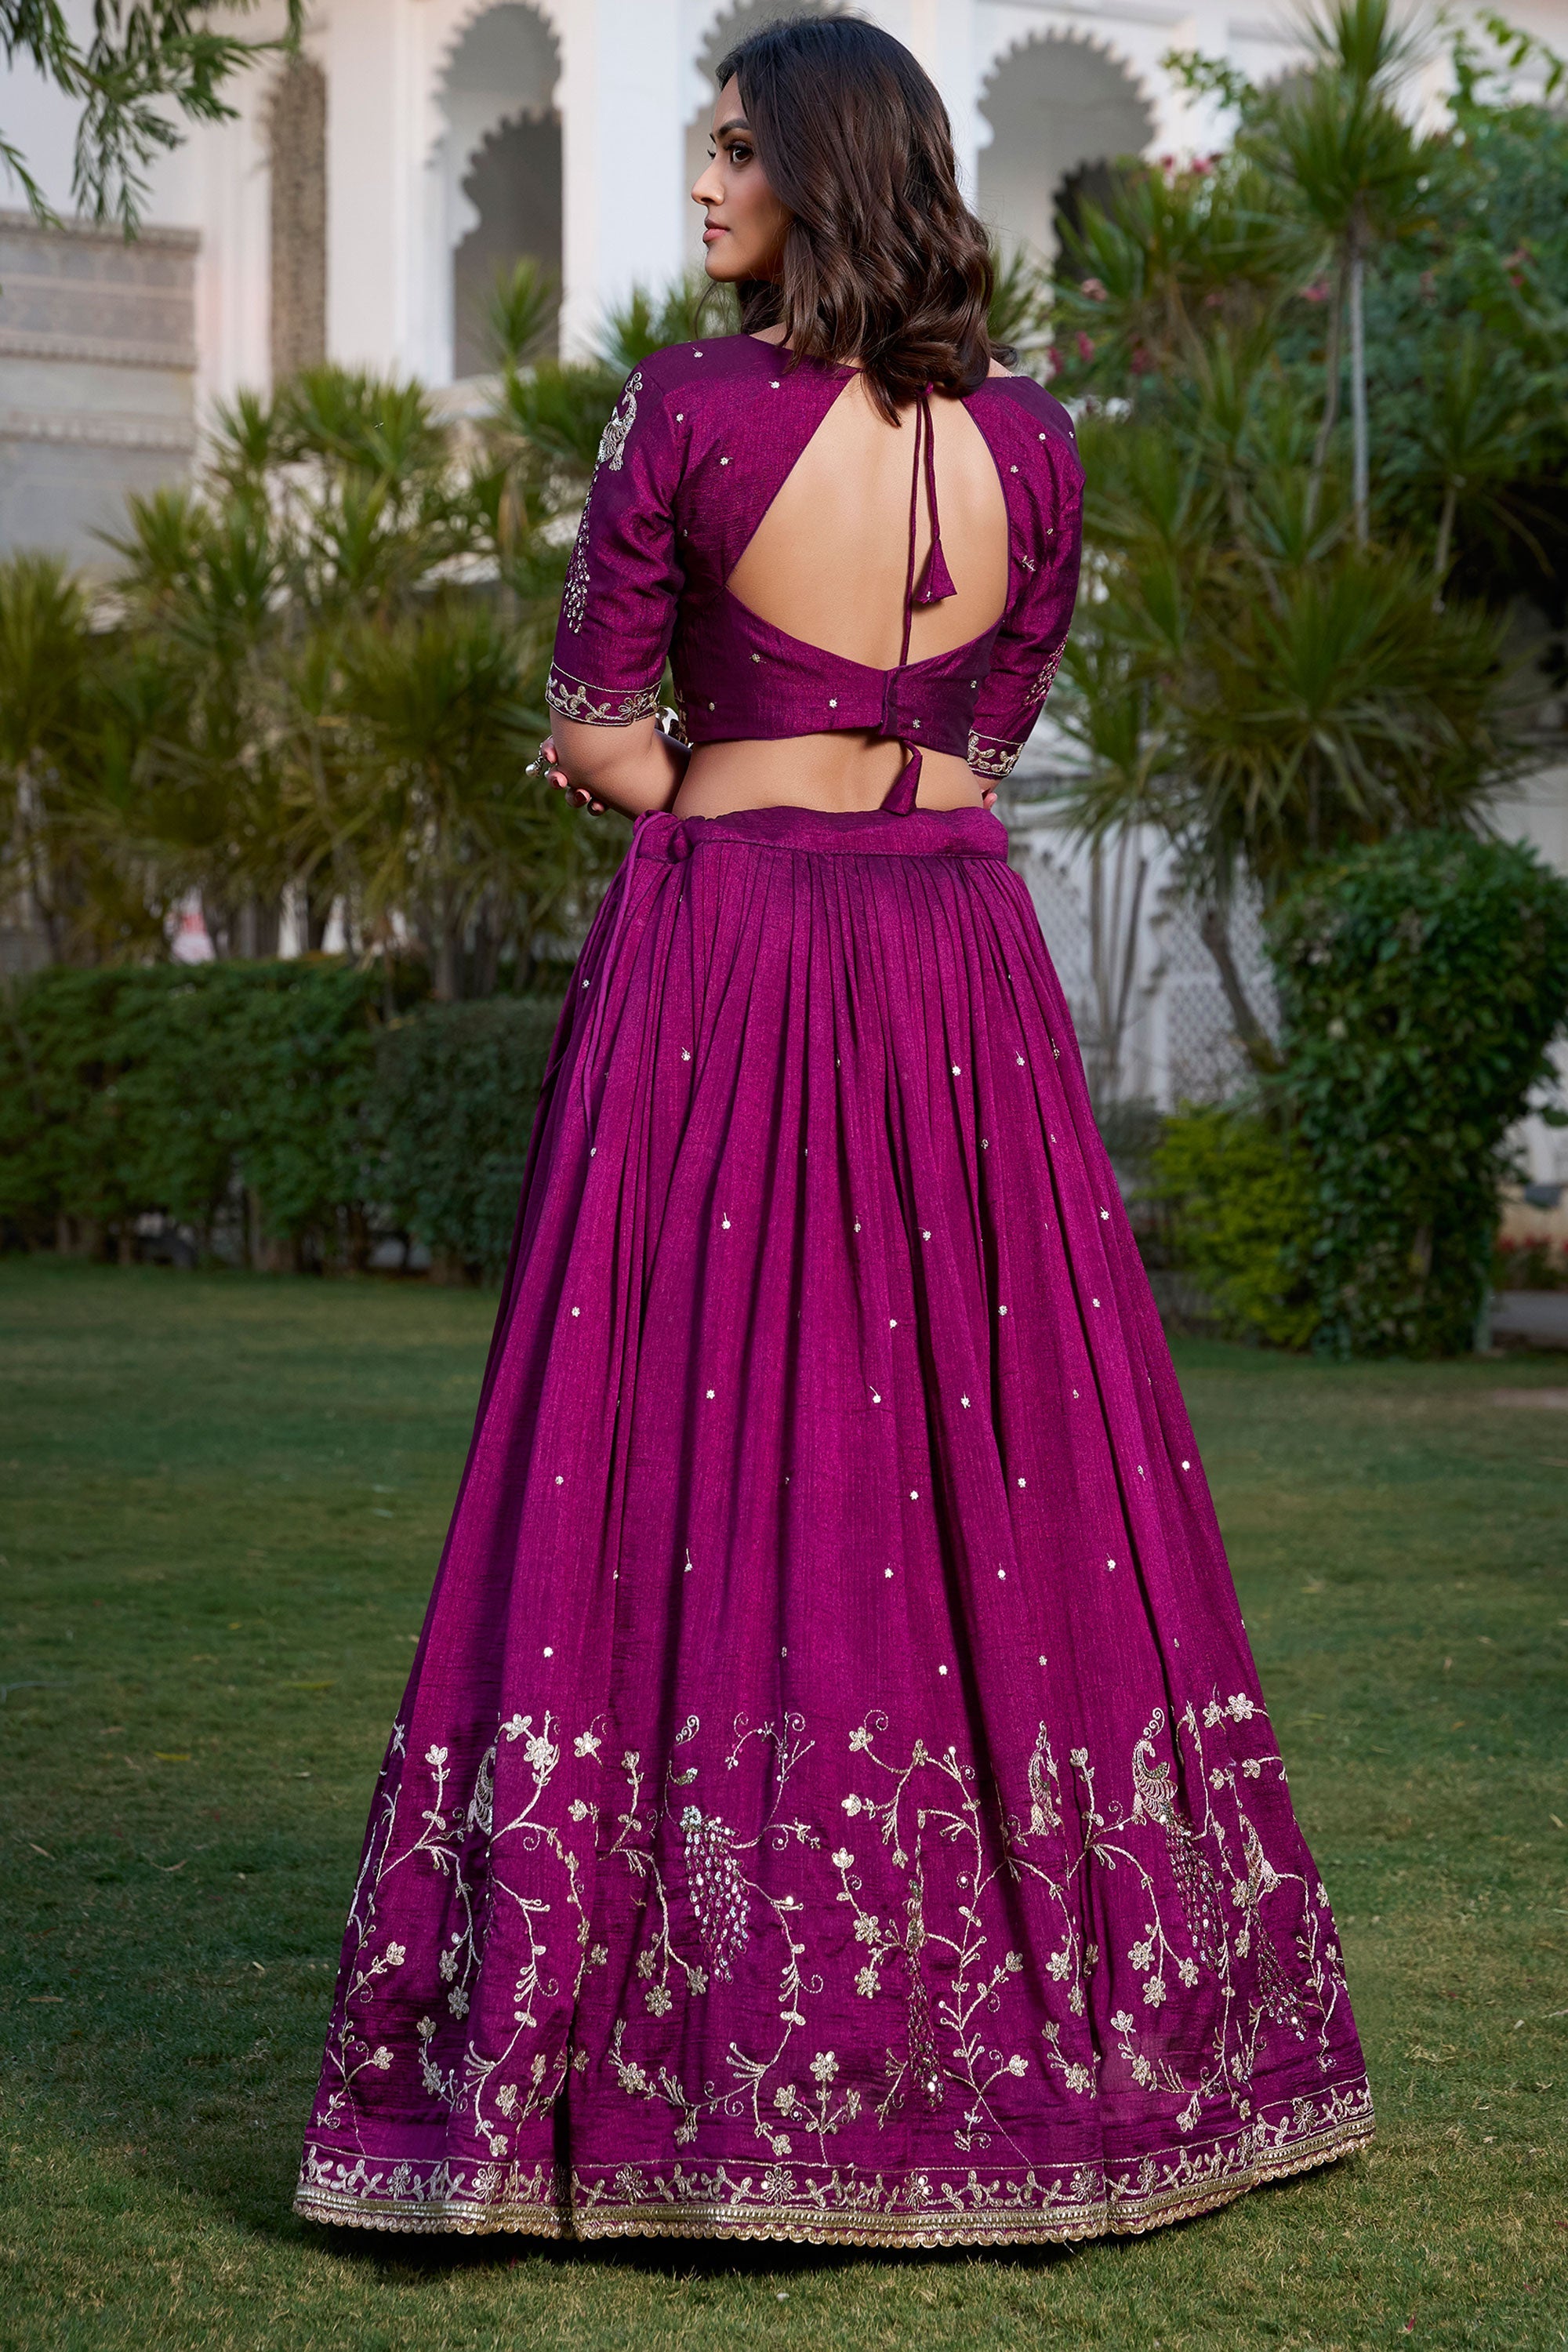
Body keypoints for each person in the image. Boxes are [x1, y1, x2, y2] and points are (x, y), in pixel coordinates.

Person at [294, 14, 1370, 2249]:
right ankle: (1055, 2012)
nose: (704, 185)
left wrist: (685, 775)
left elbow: (597, 720)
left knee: (692, 1428)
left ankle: (671, 2026)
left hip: (734, 951)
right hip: (957, 956)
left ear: (819, 170)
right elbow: (993, 717)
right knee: (991, 1444)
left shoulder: (693, 411)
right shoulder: (1036, 446)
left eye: (734, 149)